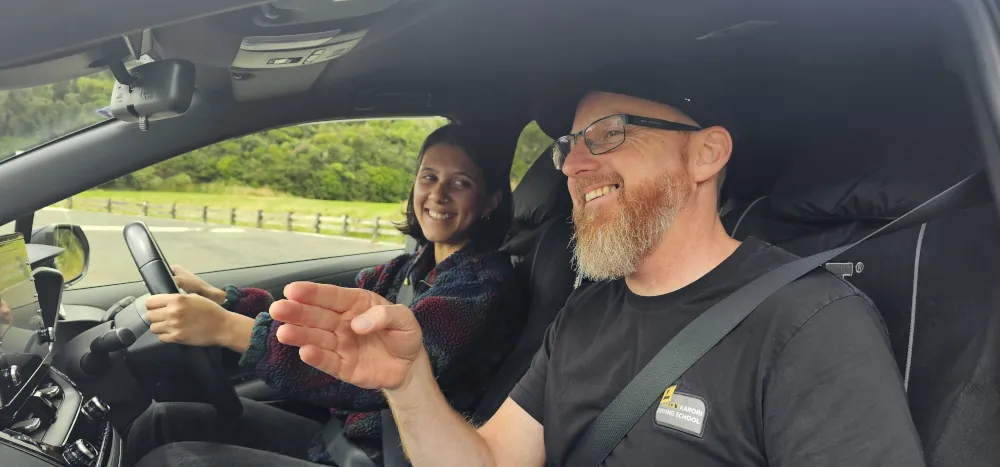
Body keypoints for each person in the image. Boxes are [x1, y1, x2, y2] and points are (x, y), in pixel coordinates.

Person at [263, 63, 927, 467]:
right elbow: (490, 459)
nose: (575, 165)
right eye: (568, 144)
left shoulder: (811, 325)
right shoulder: (582, 316)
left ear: (705, 154)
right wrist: (408, 381)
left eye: (609, 133)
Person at [127, 123, 524, 467]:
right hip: (341, 441)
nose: (438, 194)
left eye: (461, 183)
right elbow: (321, 314)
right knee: (161, 421)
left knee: (170, 462)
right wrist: (226, 301)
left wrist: (228, 329)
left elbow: (370, 373)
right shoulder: (411, 267)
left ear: (491, 200)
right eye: (428, 177)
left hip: (390, 456)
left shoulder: (481, 289)